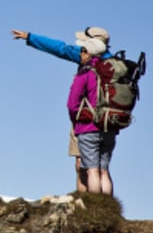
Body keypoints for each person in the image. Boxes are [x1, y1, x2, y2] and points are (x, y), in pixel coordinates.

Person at [11, 26, 113, 192]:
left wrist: (30, 37)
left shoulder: (86, 62)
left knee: (86, 167)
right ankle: (108, 208)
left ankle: (89, 205)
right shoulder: (114, 64)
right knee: (103, 170)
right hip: (110, 122)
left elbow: (60, 48)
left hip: (86, 119)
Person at [68, 36, 117, 194]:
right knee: (104, 171)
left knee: (92, 171)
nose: (81, 53)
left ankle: (96, 208)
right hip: (109, 126)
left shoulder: (85, 73)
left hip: (88, 127)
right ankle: (109, 207)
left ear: (88, 52)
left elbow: (72, 104)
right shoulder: (112, 72)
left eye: (83, 50)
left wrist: (76, 123)